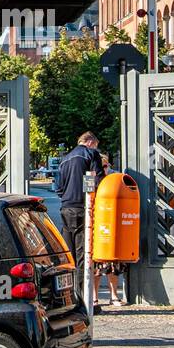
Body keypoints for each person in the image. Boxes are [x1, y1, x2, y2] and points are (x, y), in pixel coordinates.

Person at [56, 131, 106, 281]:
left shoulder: (64, 160)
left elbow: (58, 188)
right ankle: (82, 293)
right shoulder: (91, 154)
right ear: (90, 142)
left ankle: (68, 287)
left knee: (69, 253)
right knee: (83, 252)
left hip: (66, 208)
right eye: (96, 146)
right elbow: (97, 180)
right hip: (83, 207)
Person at [94, 152, 125, 307]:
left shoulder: (113, 181)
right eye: (101, 166)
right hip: (96, 227)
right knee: (96, 266)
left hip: (111, 226)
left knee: (113, 264)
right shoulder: (93, 182)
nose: (104, 169)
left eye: (106, 166)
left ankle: (114, 295)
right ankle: (94, 297)